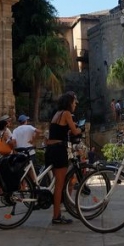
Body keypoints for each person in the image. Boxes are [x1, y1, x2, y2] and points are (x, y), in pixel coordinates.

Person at [45, 91, 82, 225]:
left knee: (58, 183)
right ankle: (56, 216)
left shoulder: (57, 114)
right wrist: (80, 129)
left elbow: (58, 130)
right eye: (74, 102)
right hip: (59, 150)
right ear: (69, 103)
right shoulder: (66, 114)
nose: (75, 105)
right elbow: (74, 131)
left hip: (50, 150)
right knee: (59, 186)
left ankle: (58, 212)